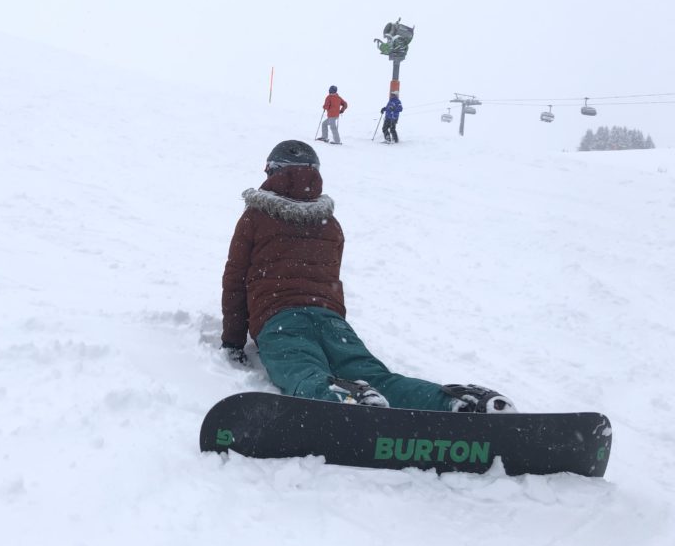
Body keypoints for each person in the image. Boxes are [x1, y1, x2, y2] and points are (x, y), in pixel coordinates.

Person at [220, 139, 515, 413]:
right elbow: (331, 279)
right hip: (330, 320)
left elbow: (235, 280)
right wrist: (331, 318)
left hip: (280, 320)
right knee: (375, 375)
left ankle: (346, 402)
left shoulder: (255, 217)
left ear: (272, 172)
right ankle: (457, 402)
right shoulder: (329, 224)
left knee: (302, 369)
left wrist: (234, 342)